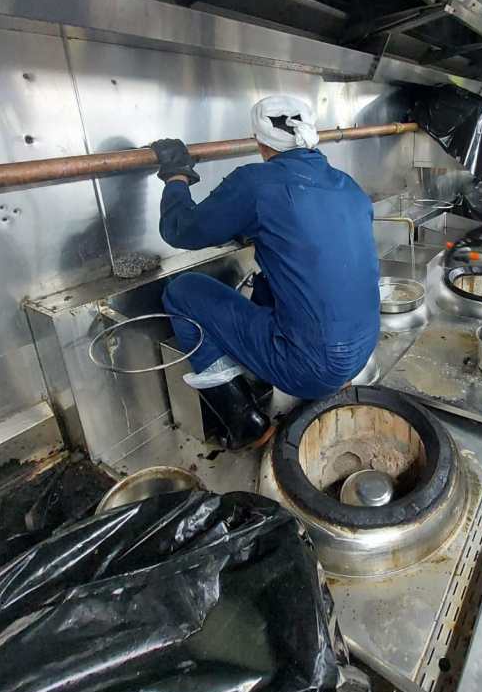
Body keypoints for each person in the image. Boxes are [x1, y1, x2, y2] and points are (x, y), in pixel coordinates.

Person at [150, 95, 380, 448]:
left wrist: (176, 176)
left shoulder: (257, 183)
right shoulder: (347, 185)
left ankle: (245, 421)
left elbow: (181, 230)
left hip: (311, 368)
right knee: (268, 283)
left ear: (259, 141)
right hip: (362, 351)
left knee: (182, 290)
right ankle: (329, 381)